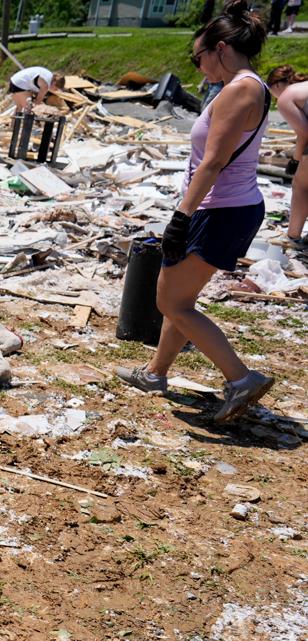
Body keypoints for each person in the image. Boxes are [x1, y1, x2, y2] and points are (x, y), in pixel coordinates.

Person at [117, 0, 274, 423]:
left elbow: (213, 162)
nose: (198, 65)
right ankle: (155, 373)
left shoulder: (240, 88)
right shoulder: (247, 86)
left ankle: (241, 379)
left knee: (171, 301)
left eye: (199, 56)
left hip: (219, 210)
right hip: (229, 207)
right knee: (181, 299)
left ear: (220, 48)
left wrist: (181, 217)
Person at [268, 65, 308, 248]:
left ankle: (292, 236)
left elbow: (304, 132)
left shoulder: (285, 97)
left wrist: (295, 160)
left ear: (275, 85)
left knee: (301, 186)